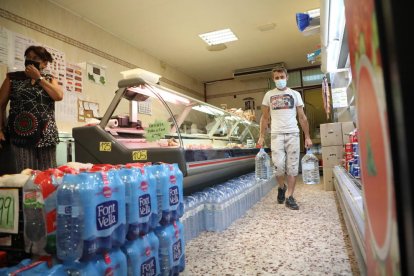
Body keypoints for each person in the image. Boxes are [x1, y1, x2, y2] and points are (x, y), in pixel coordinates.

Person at [0, 45, 63, 172]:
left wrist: (38, 78)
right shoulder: (12, 78)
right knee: (26, 175)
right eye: (28, 57)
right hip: (21, 134)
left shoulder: (49, 79)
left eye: (35, 58)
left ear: (44, 63)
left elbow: (58, 95)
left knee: (48, 175)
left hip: (46, 134)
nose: (30, 60)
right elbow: (0, 105)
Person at [257, 66, 312, 210]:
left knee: (292, 167)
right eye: (277, 78)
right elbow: (264, 118)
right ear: (273, 79)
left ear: (287, 77)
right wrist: (261, 136)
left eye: (282, 77)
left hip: (293, 133)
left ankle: (290, 196)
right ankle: (281, 187)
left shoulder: (295, 94)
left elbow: (302, 117)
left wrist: (307, 136)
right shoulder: (268, 95)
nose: (280, 80)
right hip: (276, 135)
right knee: (279, 167)